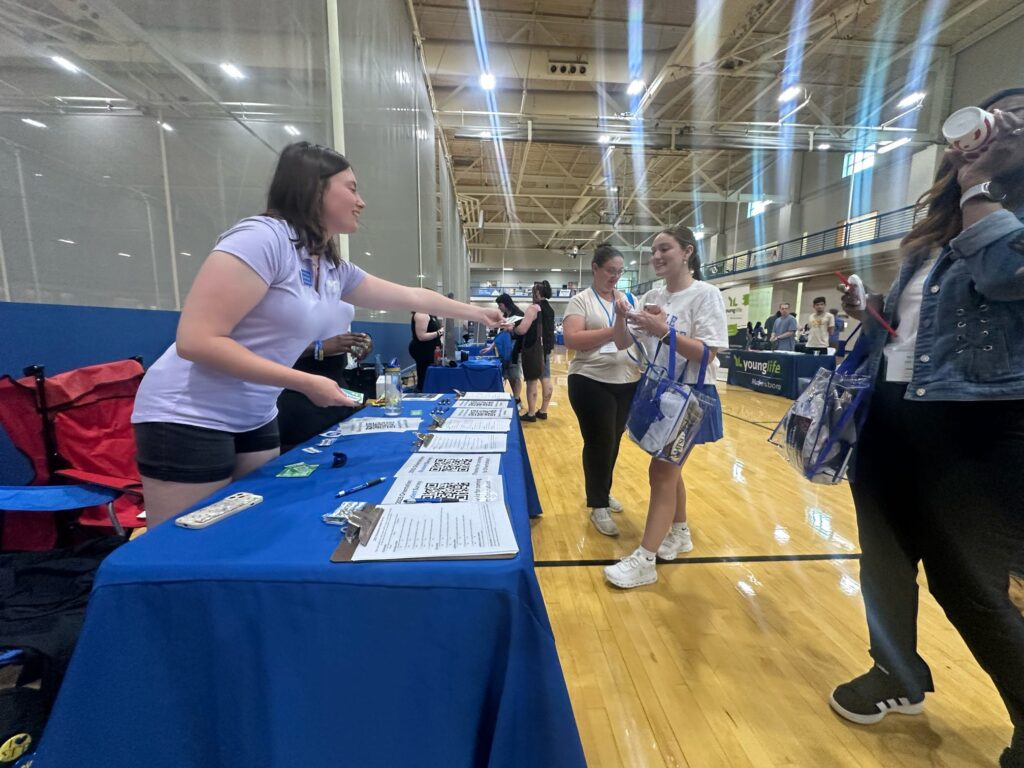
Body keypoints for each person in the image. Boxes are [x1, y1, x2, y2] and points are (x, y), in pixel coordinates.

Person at [131, 141, 502, 527]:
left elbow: (410, 295)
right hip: (187, 415)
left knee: (245, 528)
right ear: (315, 187)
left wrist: (478, 312)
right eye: (352, 188)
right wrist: (305, 381)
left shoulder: (330, 266)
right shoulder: (262, 239)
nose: (361, 202)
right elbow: (197, 341)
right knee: (183, 545)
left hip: (255, 414)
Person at [828, 88, 1024, 768]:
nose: (1001, 123)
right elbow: (912, 332)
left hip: (976, 423)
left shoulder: (999, 211)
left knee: (967, 583)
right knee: (883, 561)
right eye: (994, 112)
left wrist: (980, 185)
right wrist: (869, 311)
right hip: (895, 407)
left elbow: (1004, 276)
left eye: (1019, 114)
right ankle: (897, 674)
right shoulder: (938, 225)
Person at [606, 225, 728, 588]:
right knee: (669, 470)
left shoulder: (706, 294)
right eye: (653, 251)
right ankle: (680, 530)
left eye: (665, 249)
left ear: (687, 252)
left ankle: (645, 559)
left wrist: (662, 330)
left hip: (689, 395)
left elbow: (708, 353)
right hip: (659, 391)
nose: (656, 256)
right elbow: (621, 342)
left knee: (662, 472)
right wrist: (621, 314)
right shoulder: (655, 294)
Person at [562, 244, 641, 536]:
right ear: (595, 268)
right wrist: (616, 327)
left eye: (620, 272)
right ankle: (598, 505)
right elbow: (572, 339)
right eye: (610, 271)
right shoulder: (580, 301)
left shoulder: (629, 298)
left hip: (627, 380)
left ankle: (603, 491)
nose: (615, 277)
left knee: (614, 441)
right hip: (590, 380)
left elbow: (638, 334)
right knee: (600, 441)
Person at [276, 326, 373, 452]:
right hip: (299, 405)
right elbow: (268, 350)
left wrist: (362, 340)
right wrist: (317, 347)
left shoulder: (342, 307)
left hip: (338, 398)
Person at [494, 294, 537, 406]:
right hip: (504, 350)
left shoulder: (519, 315)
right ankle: (515, 397)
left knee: (515, 375)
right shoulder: (504, 316)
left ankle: (517, 399)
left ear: (505, 303)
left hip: (515, 349)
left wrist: (512, 331)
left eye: (500, 305)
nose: (499, 307)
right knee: (508, 375)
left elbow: (522, 332)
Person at [534, 281, 556, 420]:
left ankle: (542, 410)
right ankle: (543, 409)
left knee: (542, 379)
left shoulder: (537, 308)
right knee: (545, 377)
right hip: (547, 346)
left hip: (538, 347)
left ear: (537, 293)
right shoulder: (550, 309)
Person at [409, 310, 443, 392]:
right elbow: (421, 336)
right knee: (424, 375)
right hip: (422, 350)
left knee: (428, 374)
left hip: (432, 349)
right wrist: (439, 332)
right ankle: (421, 392)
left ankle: (426, 390)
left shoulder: (431, 314)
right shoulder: (421, 314)